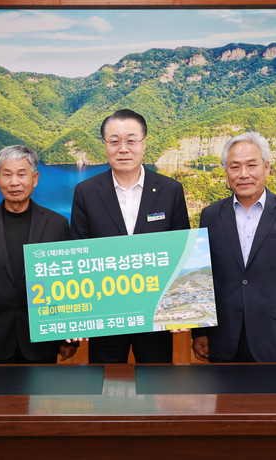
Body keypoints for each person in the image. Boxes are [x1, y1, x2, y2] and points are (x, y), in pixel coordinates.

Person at [70, 109, 190, 363]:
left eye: (131, 140)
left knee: (157, 383)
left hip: (157, 315)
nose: (123, 149)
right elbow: (78, 254)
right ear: (105, 145)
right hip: (105, 316)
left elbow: (182, 251)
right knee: (105, 383)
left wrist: (182, 308)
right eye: (114, 141)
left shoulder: (170, 190)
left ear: (144, 143)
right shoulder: (86, 192)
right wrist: (79, 317)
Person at [192, 132, 276, 363]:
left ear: (267, 168)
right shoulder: (210, 215)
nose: (243, 174)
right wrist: (199, 332)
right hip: (222, 336)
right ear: (226, 171)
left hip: (275, 336)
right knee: (221, 388)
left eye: (251, 165)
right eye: (235, 167)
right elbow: (202, 278)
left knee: (273, 389)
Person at [0, 145, 78, 364]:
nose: (14, 182)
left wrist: (68, 337)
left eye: (22, 174)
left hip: (42, 337)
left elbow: (67, 285)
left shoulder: (57, 224)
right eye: (7, 175)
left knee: (42, 388)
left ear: (35, 179)